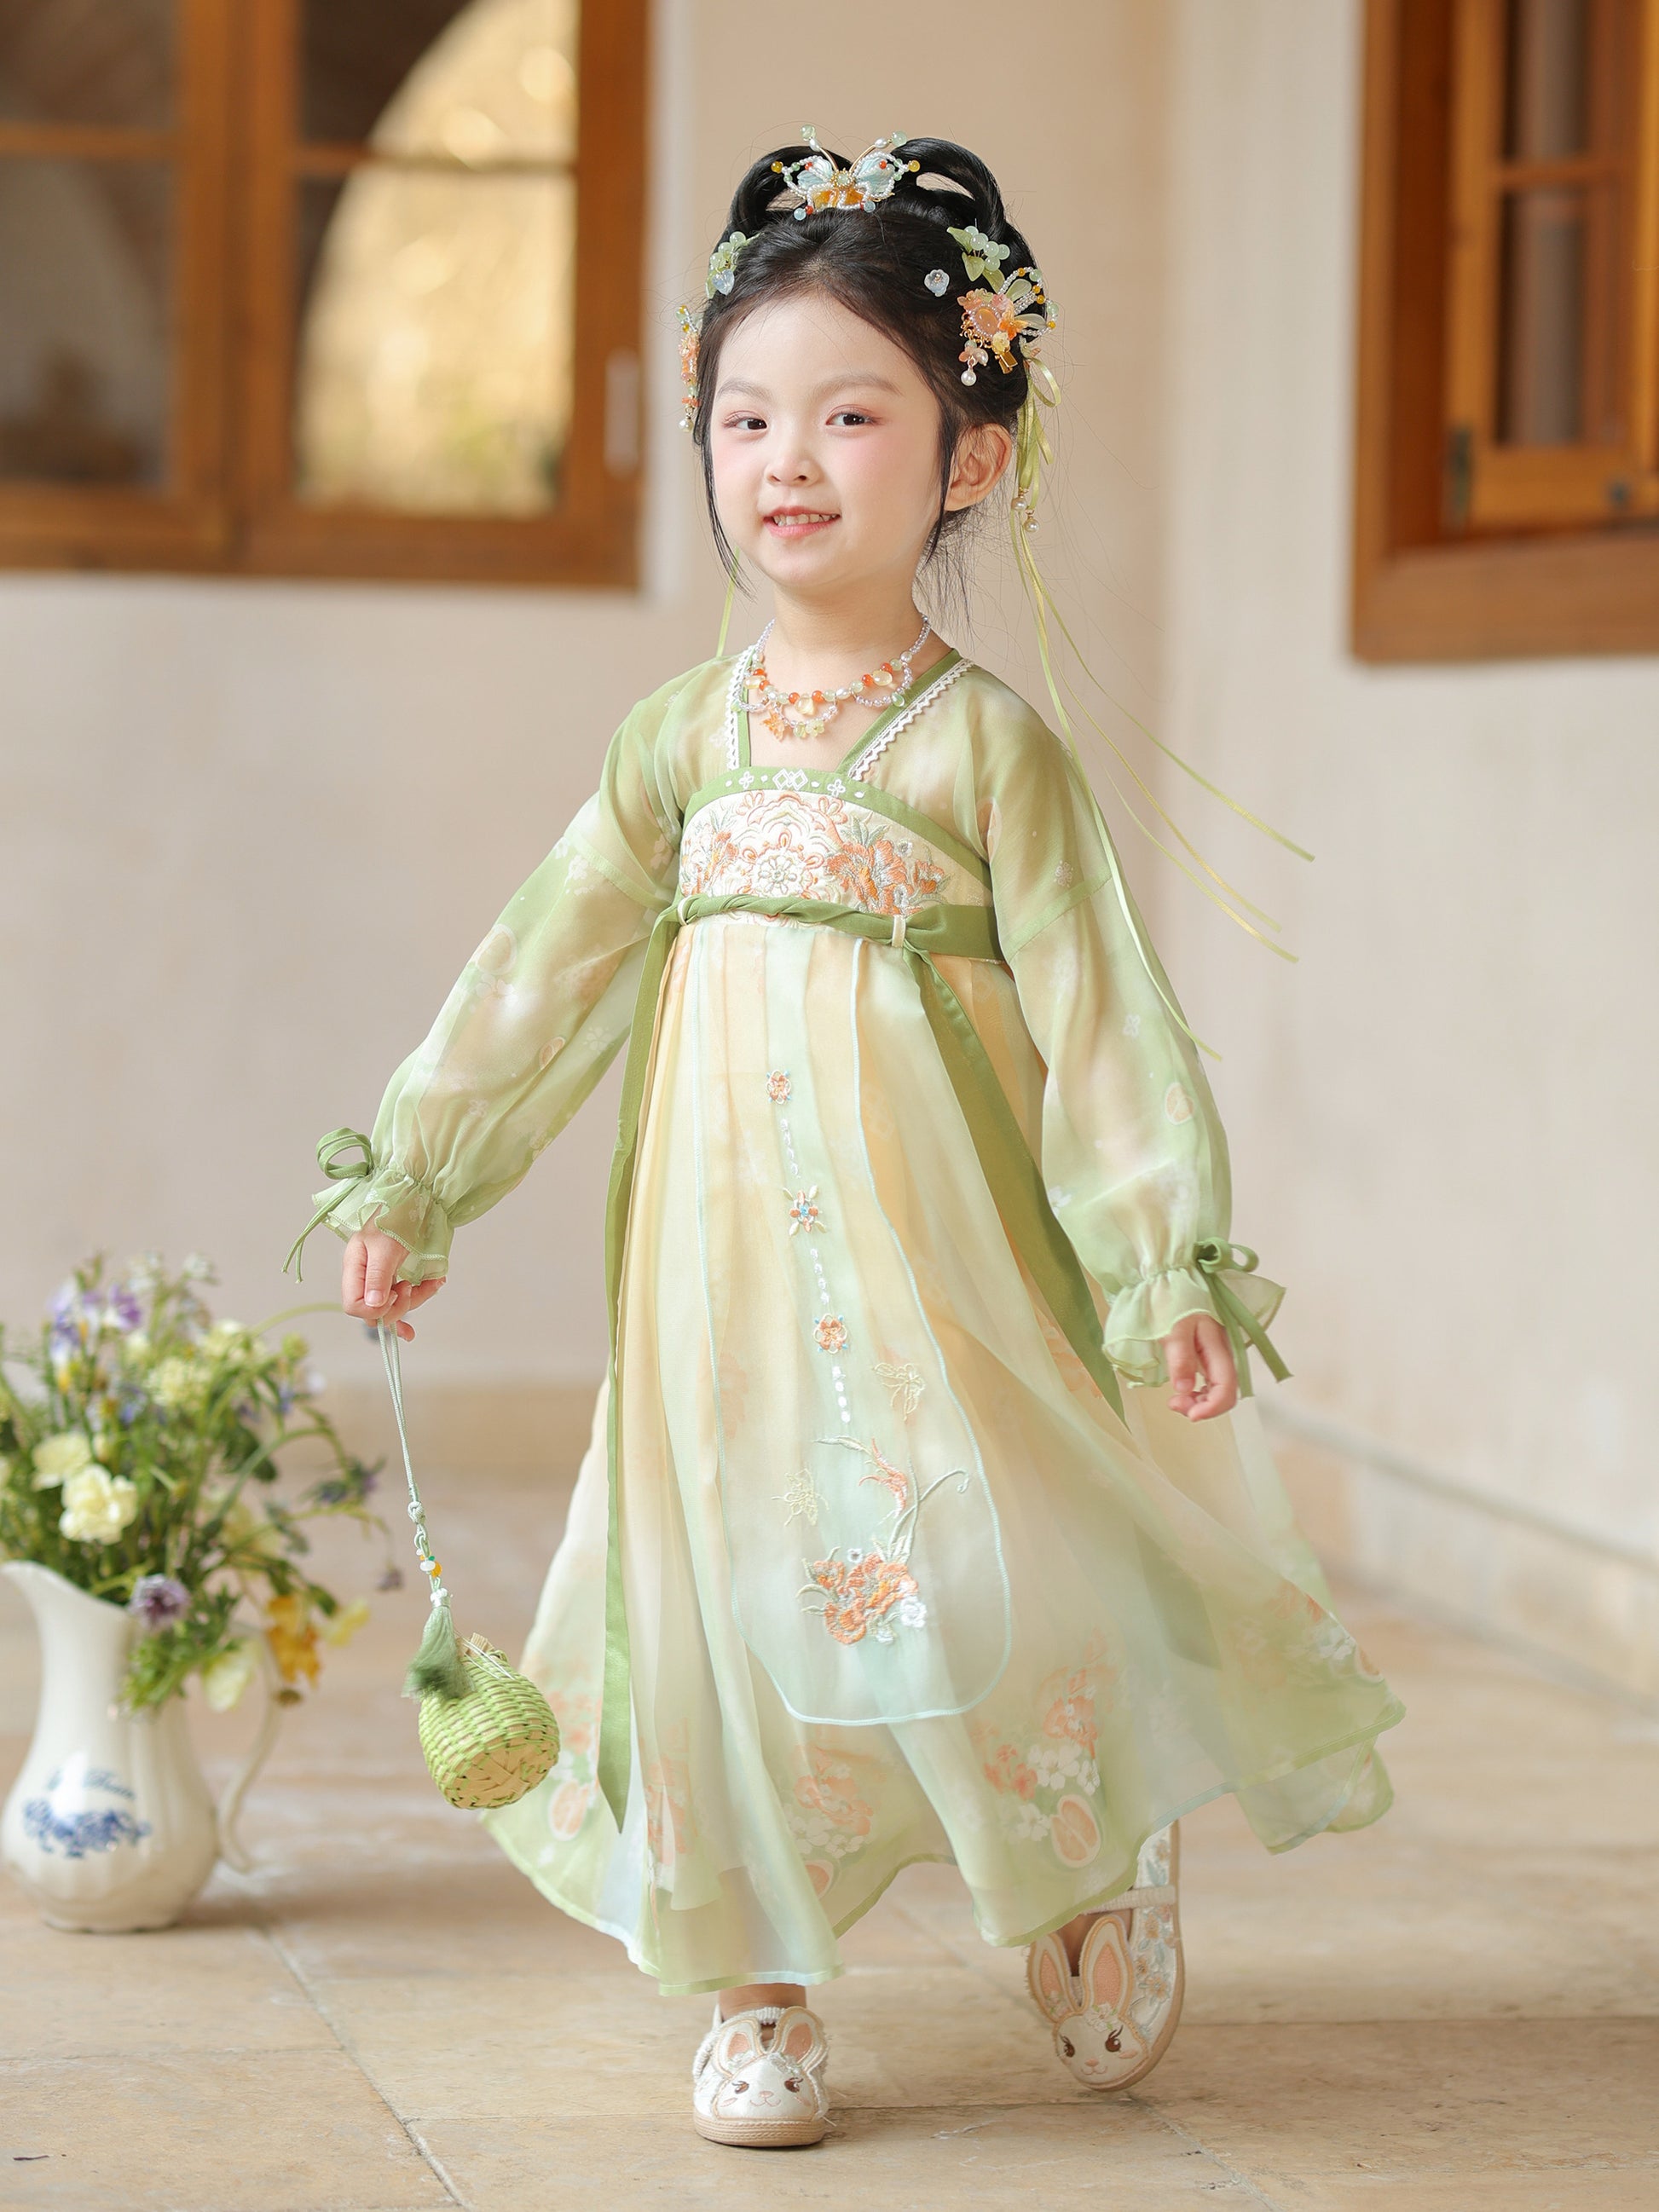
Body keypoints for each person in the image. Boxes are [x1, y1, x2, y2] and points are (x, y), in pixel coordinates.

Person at [296, 131, 1402, 2150]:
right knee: (721, 1590)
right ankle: (759, 1978)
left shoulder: (986, 749)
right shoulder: (680, 744)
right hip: (713, 1296)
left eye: (849, 410)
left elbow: (1100, 1021)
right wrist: (421, 1167)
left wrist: (1161, 1252)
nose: (784, 456)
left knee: (989, 1572)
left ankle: (1076, 1873)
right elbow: (541, 966)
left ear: (968, 455)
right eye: (742, 413)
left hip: (942, 1275)